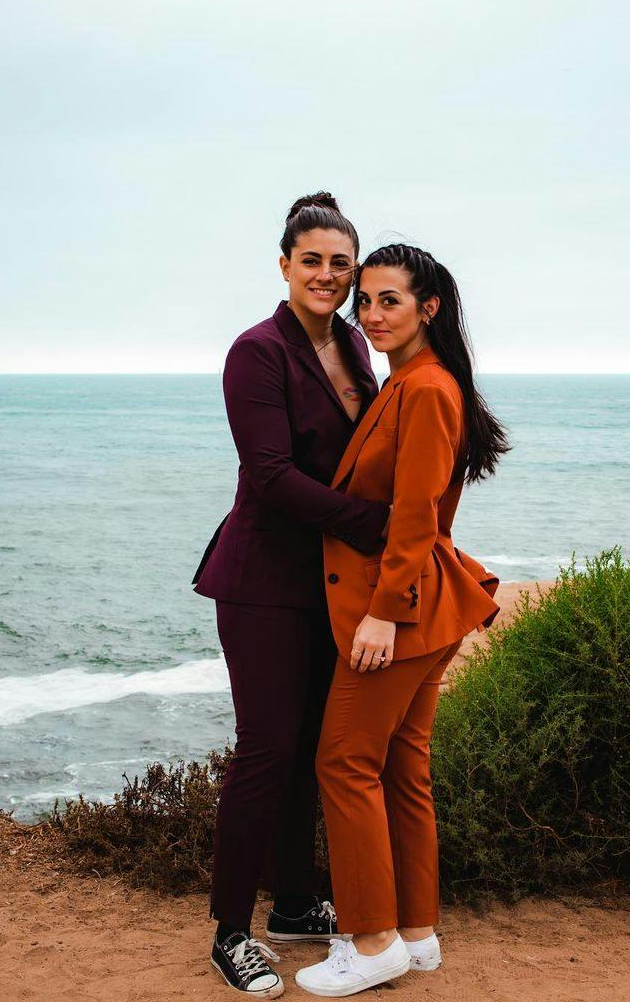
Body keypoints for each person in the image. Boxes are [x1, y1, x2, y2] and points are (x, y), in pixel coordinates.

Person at [295, 243, 509, 997]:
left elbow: (416, 516)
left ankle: (373, 940)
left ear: (430, 308)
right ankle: (416, 934)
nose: (372, 315)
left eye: (390, 300)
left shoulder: (426, 390)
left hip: (402, 608)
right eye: (367, 301)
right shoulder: (411, 383)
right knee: (401, 769)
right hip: (428, 603)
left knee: (344, 762)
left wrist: (382, 615)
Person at [193, 193, 391, 998]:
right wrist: (373, 523)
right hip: (263, 579)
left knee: (313, 747)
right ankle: (230, 931)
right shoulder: (256, 352)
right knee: (267, 750)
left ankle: (297, 904)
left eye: (341, 263)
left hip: (329, 580)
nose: (328, 274)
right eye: (312, 259)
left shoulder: (353, 341)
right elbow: (272, 479)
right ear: (284, 265)